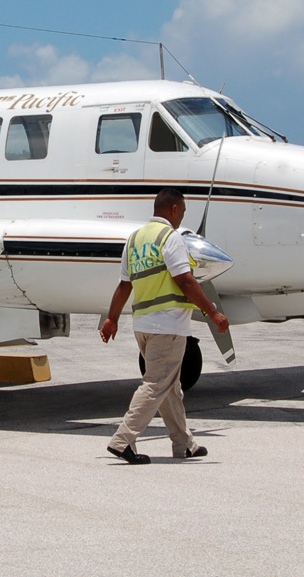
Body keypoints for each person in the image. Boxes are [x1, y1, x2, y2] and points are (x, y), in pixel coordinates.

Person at [100, 187, 230, 465]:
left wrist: (112, 318)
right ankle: (123, 440)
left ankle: (184, 444)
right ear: (173, 209)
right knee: (156, 383)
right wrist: (212, 312)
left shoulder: (134, 240)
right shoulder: (170, 238)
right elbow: (185, 280)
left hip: (144, 326)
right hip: (167, 325)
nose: (183, 216)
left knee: (169, 387)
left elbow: (125, 285)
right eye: (182, 210)